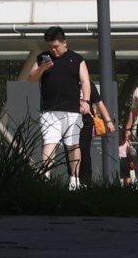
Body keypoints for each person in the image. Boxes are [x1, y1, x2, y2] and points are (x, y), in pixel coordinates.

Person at [27, 31, 95, 185]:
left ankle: (74, 179)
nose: (53, 50)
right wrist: (42, 68)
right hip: (49, 110)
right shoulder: (43, 58)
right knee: (49, 142)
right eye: (50, 47)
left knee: (73, 143)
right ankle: (45, 176)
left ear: (65, 42)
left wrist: (86, 101)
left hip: (72, 110)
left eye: (56, 46)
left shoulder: (77, 59)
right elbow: (31, 78)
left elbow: (85, 81)